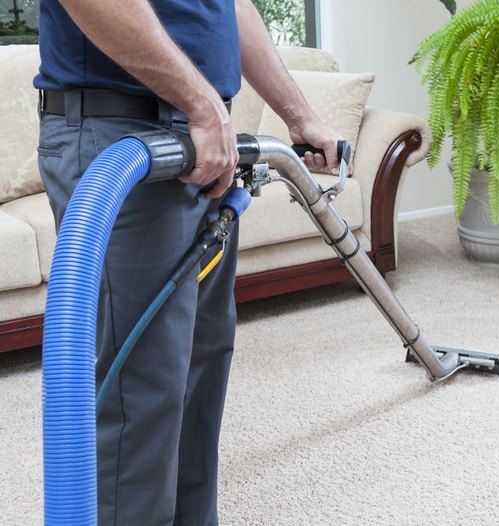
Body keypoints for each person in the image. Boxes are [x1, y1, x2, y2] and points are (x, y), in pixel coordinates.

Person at [34, 1, 342, 524]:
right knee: (145, 393)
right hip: (125, 135)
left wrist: (298, 116)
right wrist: (202, 105)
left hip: (202, 145)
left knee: (200, 367)